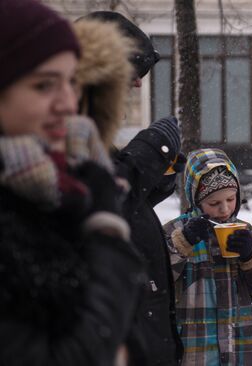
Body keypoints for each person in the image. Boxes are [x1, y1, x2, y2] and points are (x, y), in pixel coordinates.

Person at [0, 0, 144, 364]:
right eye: (44, 85)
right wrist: (106, 227)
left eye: (71, 82)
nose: (67, 102)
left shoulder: (55, 192)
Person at [73, 12, 184, 366]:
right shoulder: (63, 135)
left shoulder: (91, 134)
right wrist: (148, 152)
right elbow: (86, 204)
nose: (137, 86)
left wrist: (155, 180)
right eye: (131, 70)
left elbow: (113, 199)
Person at [163, 148, 252, 365]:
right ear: (195, 199)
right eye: (214, 203)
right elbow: (154, 283)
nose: (225, 209)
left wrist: (251, 257)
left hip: (239, 352)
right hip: (194, 352)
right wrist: (183, 243)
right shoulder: (175, 231)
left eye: (230, 198)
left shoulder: (245, 232)